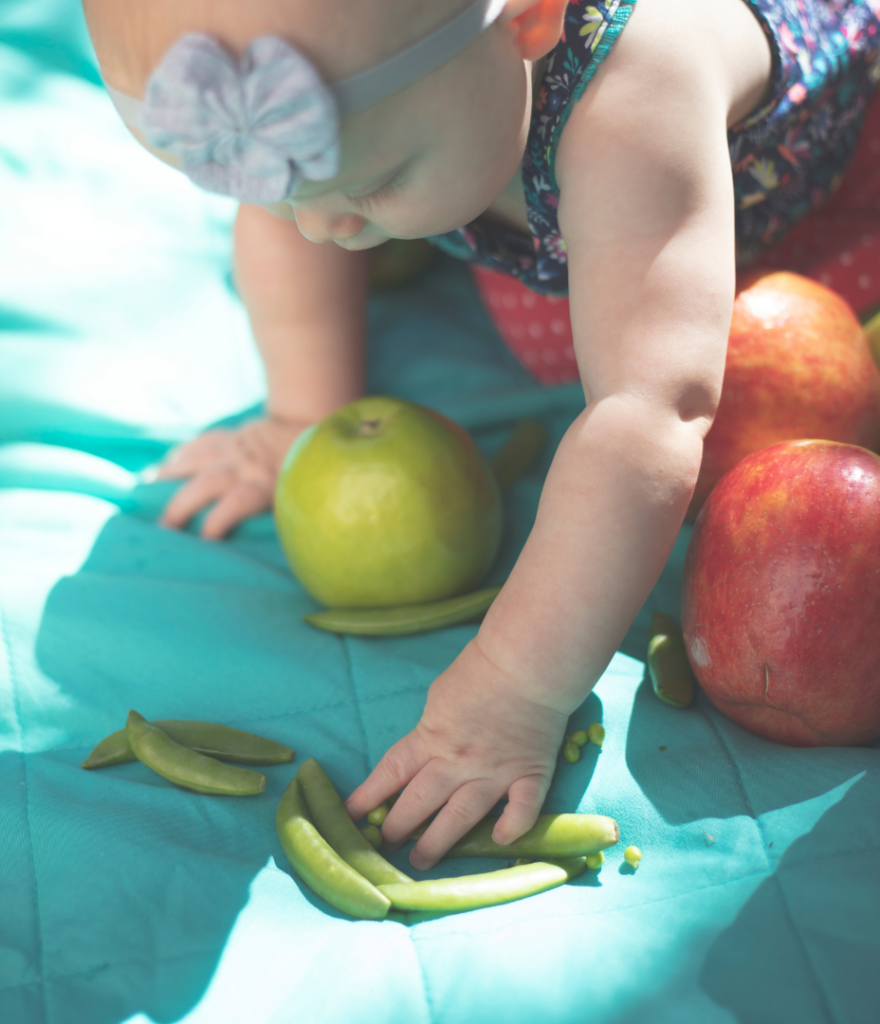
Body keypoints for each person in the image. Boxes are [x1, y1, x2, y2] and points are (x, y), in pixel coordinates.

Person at [82, 0, 880, 871]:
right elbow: (295, 201)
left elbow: (645, 415)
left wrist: (514, 686)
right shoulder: (389, 112)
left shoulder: (636, 99)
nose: (318, 226)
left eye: (374, 181)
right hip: (518, 129)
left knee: (710, 341)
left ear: (530, 20)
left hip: (817, 155)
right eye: (276, 187)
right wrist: (297, 418)